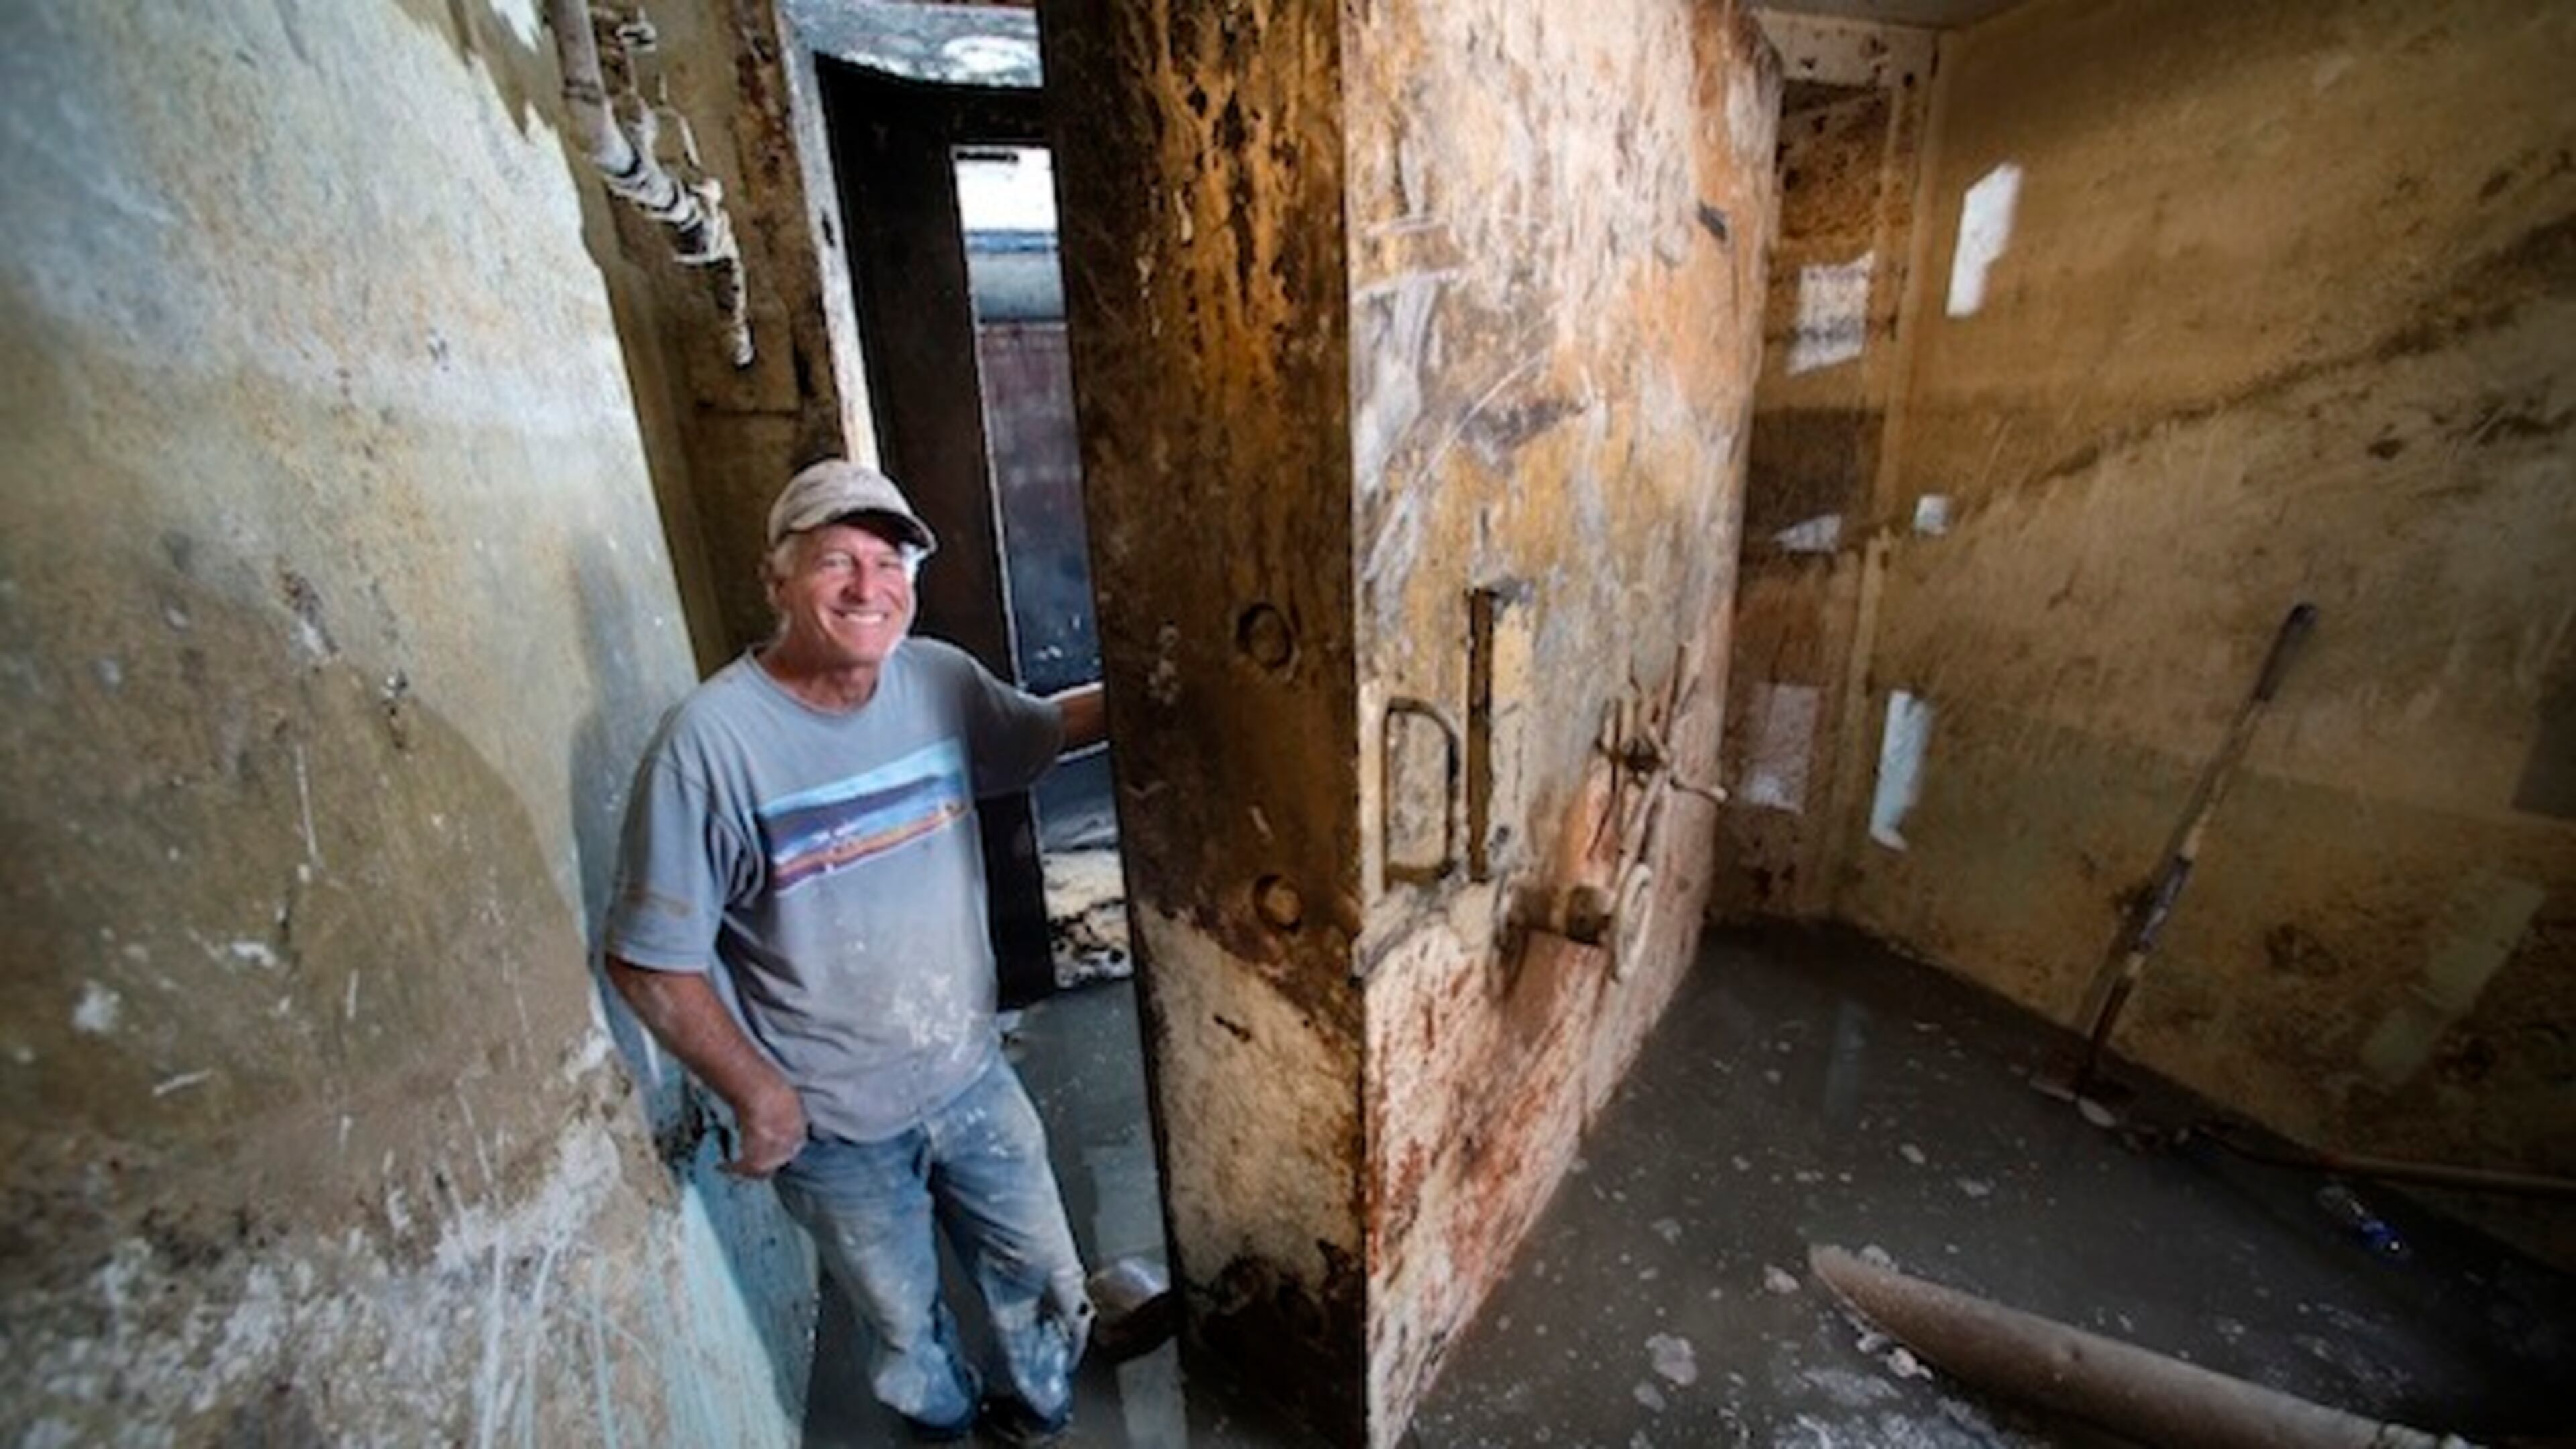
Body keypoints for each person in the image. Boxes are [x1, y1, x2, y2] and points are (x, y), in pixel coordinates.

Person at [604, 458, 1106, 1445]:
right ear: (777, 581)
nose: (868, 586)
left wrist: (1170, 686)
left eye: (890, 562)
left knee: (1047, 1281)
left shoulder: (938, 682)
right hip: (836, 1124)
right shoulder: (708, 747)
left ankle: (1039, 1415)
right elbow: (651, 959)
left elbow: (1042, 734)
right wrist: (760, 1094)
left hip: (970, 1074)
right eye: (837, 560)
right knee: (904, 1327)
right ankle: (946, 1430)